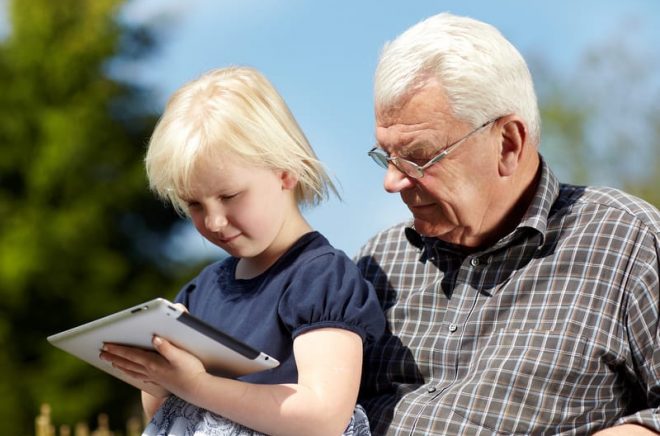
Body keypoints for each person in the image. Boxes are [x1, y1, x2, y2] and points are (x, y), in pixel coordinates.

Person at [356, 12, 660, 435]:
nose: (392, 181)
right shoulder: (375, 264)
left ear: (508, 144)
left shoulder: (627, 241)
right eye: (387, 156)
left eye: (418, 156)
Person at [100, 66, 385, 436]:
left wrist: (197, 385)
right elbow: (165, 415)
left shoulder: (320, 277)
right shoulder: (201, 291)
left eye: (229, 196)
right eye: (195, 205)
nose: (214, 222)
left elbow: (323, 415)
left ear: (285, 171)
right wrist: (158, 371)